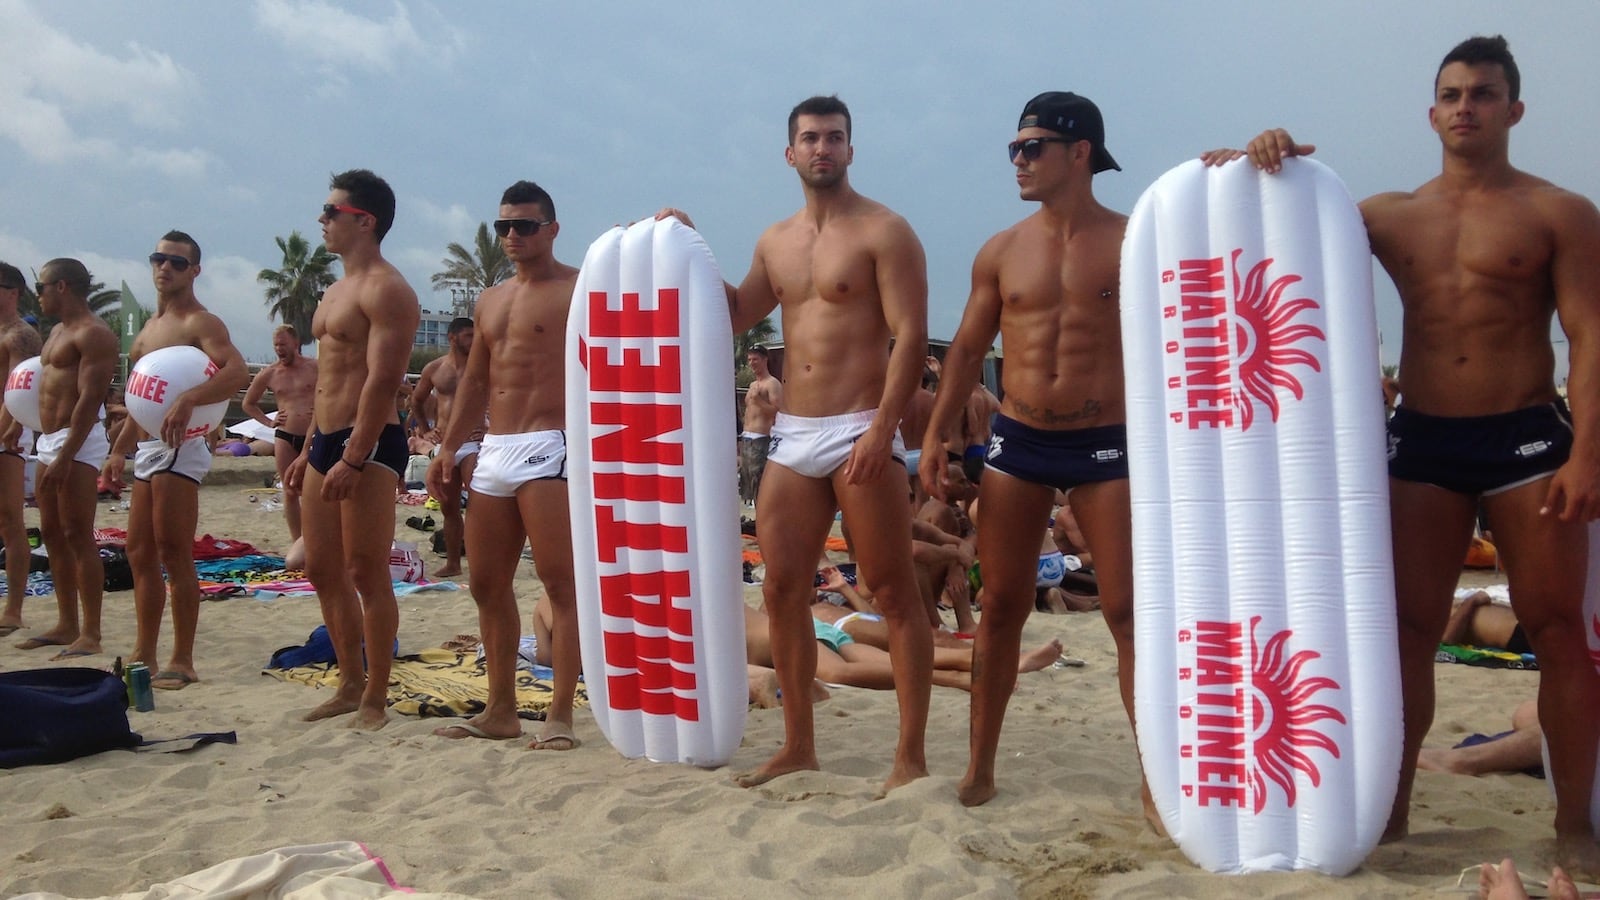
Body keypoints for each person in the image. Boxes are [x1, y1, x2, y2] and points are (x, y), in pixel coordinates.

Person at [1204, 36, 1600, 871]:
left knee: (1559, 631)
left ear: (1514, 109)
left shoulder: (1558, 212)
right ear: (1431, 112)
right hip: (1423, 438)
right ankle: (1391, 810)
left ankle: (1571, 822)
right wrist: (1251, 162)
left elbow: (1589, 334)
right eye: (1452, 94)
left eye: (1483, 94)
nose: (1466, 107)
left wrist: (1588, 453)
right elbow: (1275, 231)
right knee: (1406, 633)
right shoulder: (1387, 215)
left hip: (1527, 435)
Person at [659, 94, 933, 793]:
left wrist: (883, 431)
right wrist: (684, 245)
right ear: (790, 153)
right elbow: (736, 311)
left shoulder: (886, 231)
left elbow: (907, 339)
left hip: (859, 425)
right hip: (794, 434)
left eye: (834, 138)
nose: (822, 149)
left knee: (894, 593)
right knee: (781, 589)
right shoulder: (775, 241)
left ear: (850, 149)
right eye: (810, 138)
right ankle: (798, 745)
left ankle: (910, 755)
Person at [921, 91, 1140, 811]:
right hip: (1019, 441)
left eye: (1032, 147)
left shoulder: (1136, 239)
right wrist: (935, 433)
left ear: (1080, 154)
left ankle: (1154, 776)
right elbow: (967, 351)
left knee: (1128, 612)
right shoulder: (1002, 250)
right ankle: (980, 765)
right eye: (1014, 148)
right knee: (1004, 605)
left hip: (1106, 443)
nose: (1017, 160)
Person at [426, 180, 581, 749]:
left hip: (552, 445)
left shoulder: (579, 287)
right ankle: (501, 710)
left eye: (525, 225)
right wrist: (448, 446)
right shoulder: (490, 300)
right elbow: (476, 380)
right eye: (503, 226)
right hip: (495, 449)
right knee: (487, 582)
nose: (512, 235)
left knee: (559, 585)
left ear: (552, 229)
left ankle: (561, 715)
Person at [284, 169, 420, 730]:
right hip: (325, 440)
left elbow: (381, 381)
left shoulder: (387, 288)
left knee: (367, 569)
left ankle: (376, 696)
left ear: (363, 220)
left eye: (330, 212)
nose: (322, 220)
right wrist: (311, 445)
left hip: (369, 442)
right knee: (320, 567)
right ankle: (348, 680)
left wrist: (353, 456)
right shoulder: (335, 290)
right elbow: (329, 380)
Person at [101, 231, 249, 688]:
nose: (164, 267)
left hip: (182, 446)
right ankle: (145, 650)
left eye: (177, 262)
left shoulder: (201, 323)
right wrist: (117, 451)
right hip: (147, 446)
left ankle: (182, 658)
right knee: (140, 552)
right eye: (158, 258)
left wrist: (190, 400)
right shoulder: (146, 330)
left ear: (194, 271)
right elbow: (142, 401)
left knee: (173, 551)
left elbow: (237, 371)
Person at [9, 259, 116, 657]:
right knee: (51, 532)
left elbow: (89, 399)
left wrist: (67, 456)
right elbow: (41, 389)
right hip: (49, 438)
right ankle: (66, 621)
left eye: (41, 286)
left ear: (63, 287)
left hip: (79, 440)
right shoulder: (54, 332)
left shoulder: (95, 335)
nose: (38, 294)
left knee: (77, 533)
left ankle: (90, 631)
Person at [410, 317, 480, 578]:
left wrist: (489, 426)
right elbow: (416, 400)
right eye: (468, 336)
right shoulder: (435, 369)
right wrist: (425, 430)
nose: (473, 341)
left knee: (479, 502)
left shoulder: (482, 367)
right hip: (445, 443)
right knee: (449, 507)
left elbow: (502, 396)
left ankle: (480, 560)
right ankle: (453, 563)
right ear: (453, 337)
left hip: (473, 442)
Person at [241, 324, 318, 542]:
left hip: (313, 434)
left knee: (314, 491)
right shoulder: (270, 373)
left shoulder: (315, 367)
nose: (279, 348)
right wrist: (269, 421)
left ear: (296, 343)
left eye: (283, 344)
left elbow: (334, 391)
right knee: (290, 490)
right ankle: (297, 540)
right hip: (285, 435)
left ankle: (316, 538)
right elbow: (249, 403)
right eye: (276, 345)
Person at [0, 262, 41, 637]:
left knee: (10, 520)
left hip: (7, 434)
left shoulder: (20, 335)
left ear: (13, 292)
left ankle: (13, 609)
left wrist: (5, 430)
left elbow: (19, 390)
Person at [740, 346, 781, 507]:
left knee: (760, 482)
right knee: (748, 481)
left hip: (761, 439)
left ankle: (764, 521)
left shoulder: (772, 384)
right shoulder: (752, 385)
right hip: (747, 437)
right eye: (749, 359)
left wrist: (758, 401)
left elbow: (778, 411)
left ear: (765, 359)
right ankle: (756, 520)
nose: (752, 363)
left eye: (755, 359)